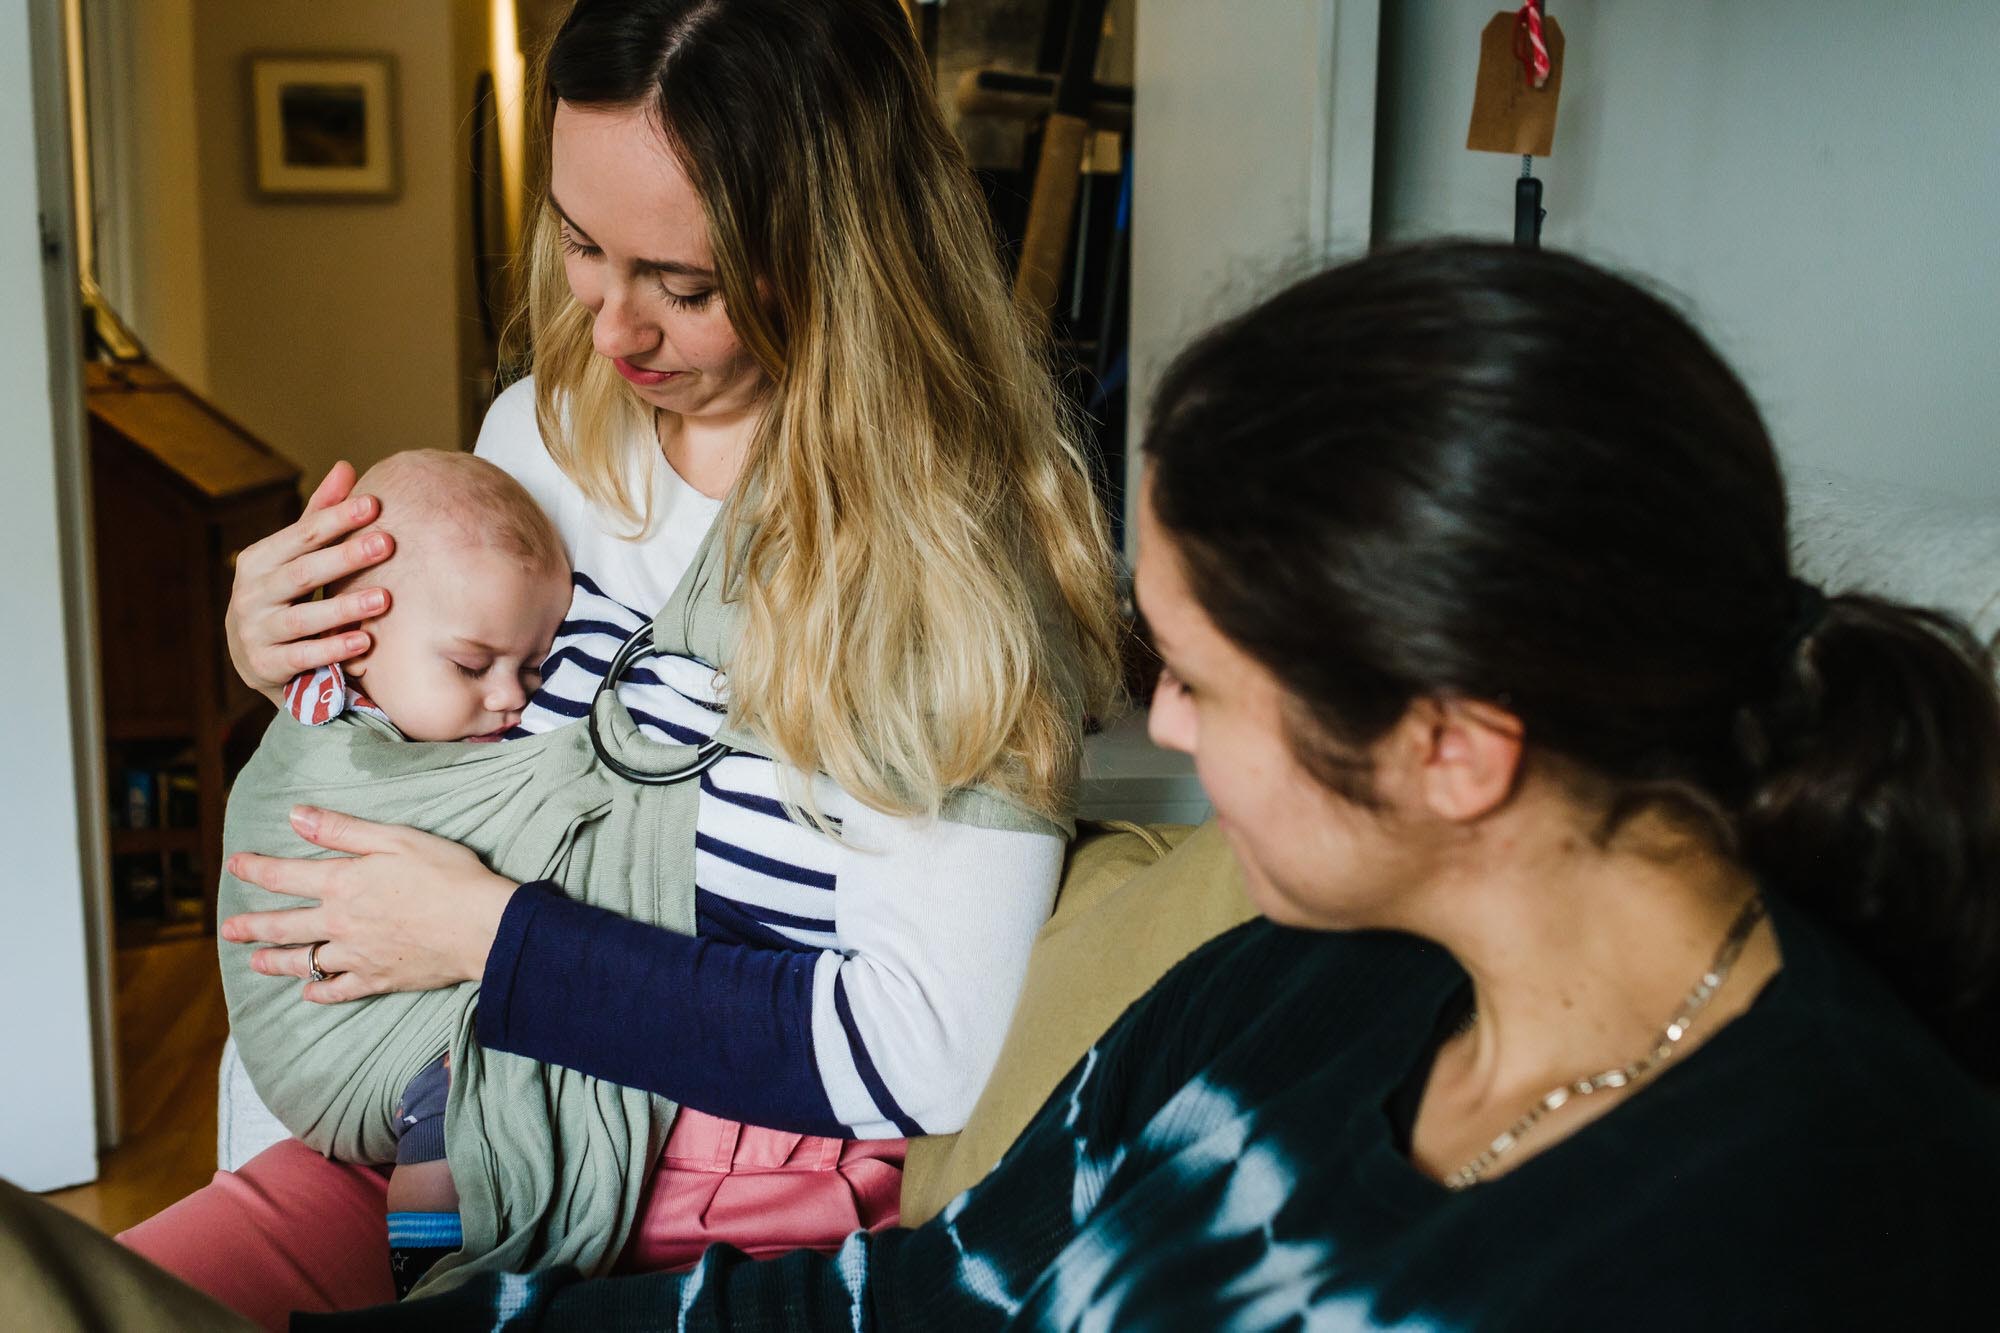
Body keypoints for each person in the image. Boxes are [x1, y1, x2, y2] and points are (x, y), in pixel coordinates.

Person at [310, 243, 2000, 1329]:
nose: (1163, 733)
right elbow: (933, 1300)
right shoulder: (1302, 984)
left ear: (1452, 745)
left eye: (1198, 675)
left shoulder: (1820, 1224)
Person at [124, 0, 1119, 1325]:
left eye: (684, 283)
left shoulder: (954, 566)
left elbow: (923, 1053)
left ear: (847, 254)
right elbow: (438, 734)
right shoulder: (538, 439)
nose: (611, 333)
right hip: (431, 1129)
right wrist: (289, 657)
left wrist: (491, 935)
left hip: (708, 1201)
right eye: (582, 245)